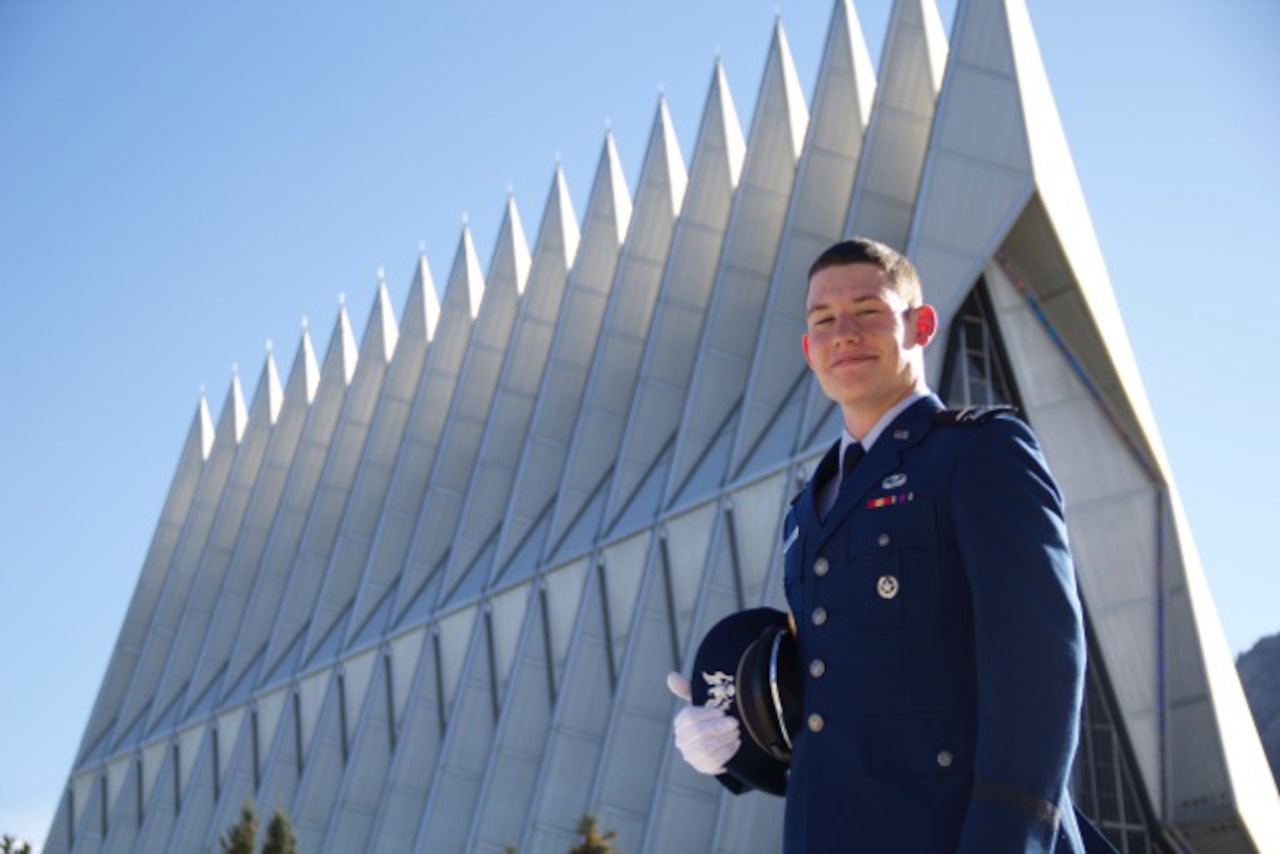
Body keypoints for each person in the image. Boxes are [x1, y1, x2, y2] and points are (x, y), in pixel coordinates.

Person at [668, 238, 1092, 852]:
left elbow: (1043, 662)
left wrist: (1012, 835)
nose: (843, 333)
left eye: (868, 310)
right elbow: (840, 701)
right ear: (808, 350)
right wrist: (736, 740)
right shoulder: (806, 509)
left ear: (920, 326)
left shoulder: (977, 453)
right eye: (822, 320)